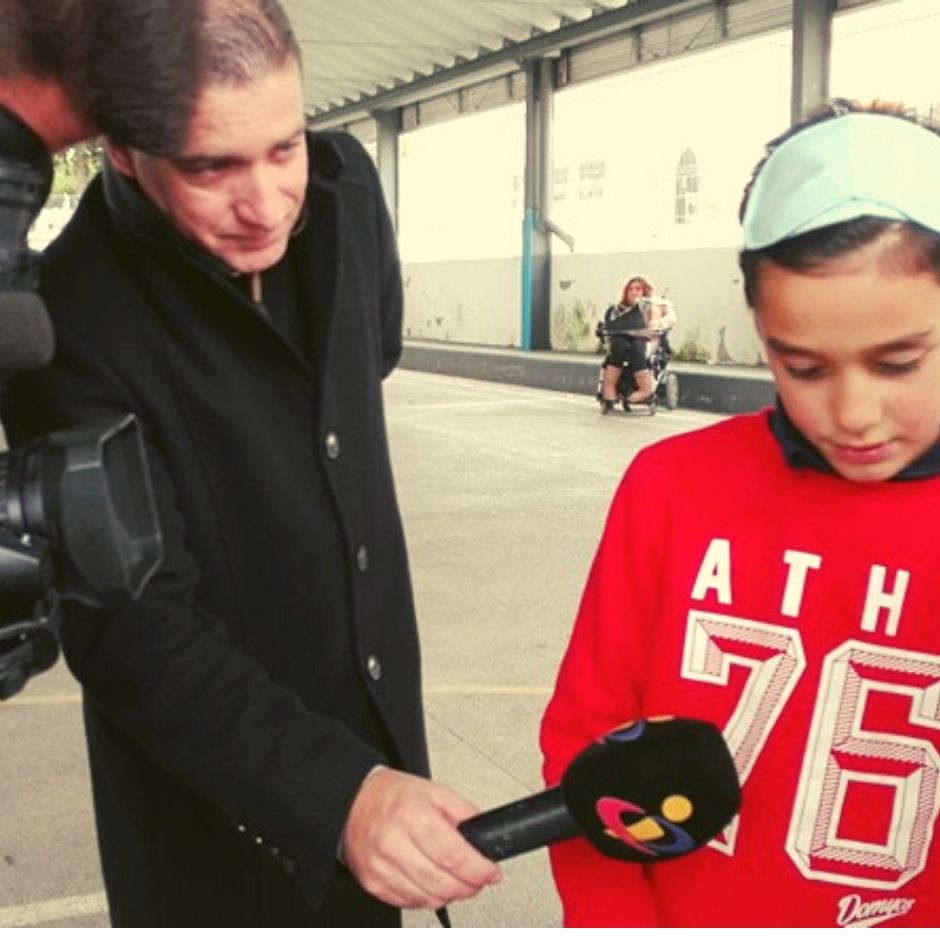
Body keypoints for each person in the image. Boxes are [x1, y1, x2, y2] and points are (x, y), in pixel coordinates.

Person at [1, 0, 500, 926]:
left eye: (284, 147)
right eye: (210, 166)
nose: (266, 204)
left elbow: (369, 354)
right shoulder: (65, 321)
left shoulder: (347, 191)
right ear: (119, 147)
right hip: (219, 815)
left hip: (382, 749)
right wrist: (336, 793)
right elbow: (132, 636)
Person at [540, 101, 940, 927]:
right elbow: (586, 750)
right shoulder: (672, 487)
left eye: (899, 361)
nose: (855, 412)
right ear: (761, 329)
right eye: (803, 367)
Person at [598, 275, 675, 407]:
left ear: (645, 291)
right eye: (630, 289)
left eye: (638, 289)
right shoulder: (617, 309)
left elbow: (671, 318)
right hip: (622, 338)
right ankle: (609, 390)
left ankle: (645, 390)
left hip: (646, 338)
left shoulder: (655, 305)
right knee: (618, 346)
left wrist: (658, 324)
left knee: (638, 348)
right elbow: (609, 326)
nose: (634, 292)